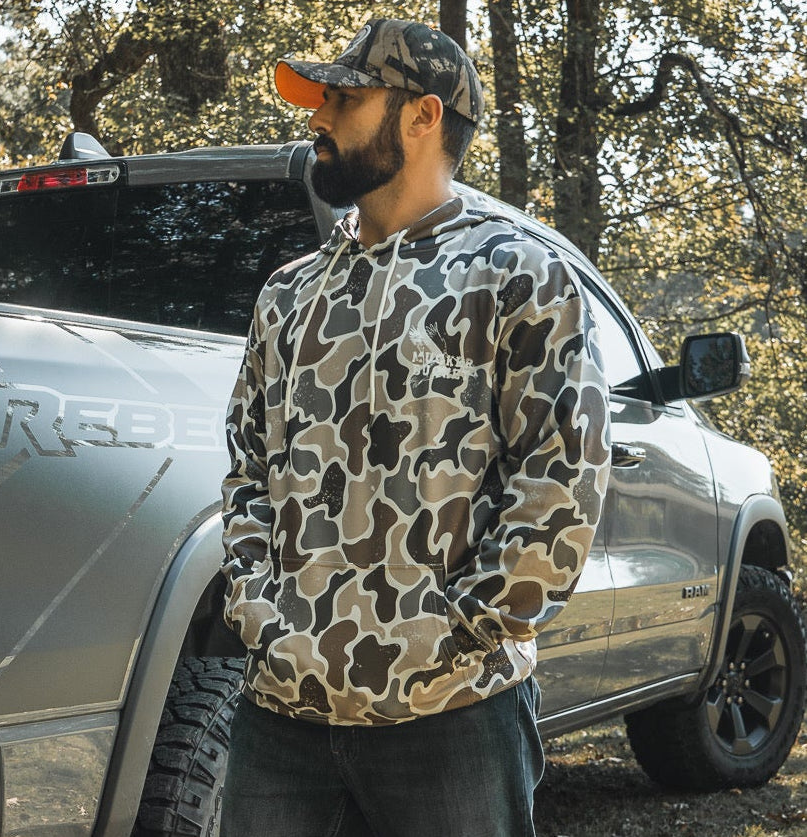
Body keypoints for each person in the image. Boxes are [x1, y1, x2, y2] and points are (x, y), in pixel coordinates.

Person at [220, 18, 611, 837]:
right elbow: (248, 469)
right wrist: (258, 609)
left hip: (451, 713)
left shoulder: (516, 274)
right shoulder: (288, 294)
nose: (318, 116)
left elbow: (561, 477)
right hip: (282, 715)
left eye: (344, 99)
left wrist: (461, 630)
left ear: (423, 115)